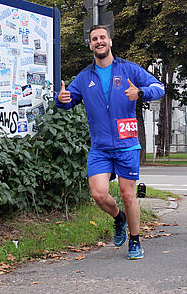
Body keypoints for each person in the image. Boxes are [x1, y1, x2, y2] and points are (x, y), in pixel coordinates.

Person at [55, 25, 165, 259]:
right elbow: (68, 101)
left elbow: (159, 87)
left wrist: (141, 93)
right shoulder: (85, 77)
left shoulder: (128, 69)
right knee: (99, 194)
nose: (99, 41)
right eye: (94, 39)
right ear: (90, 45)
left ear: (110, 41)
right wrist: (61, 99)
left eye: (102, 37)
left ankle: (135, 241)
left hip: (127, 145)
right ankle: (119, 218)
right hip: (101, 148)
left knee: (128, 195)